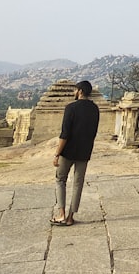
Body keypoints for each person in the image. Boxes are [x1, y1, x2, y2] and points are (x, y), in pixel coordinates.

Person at [51, 80, 100, 226]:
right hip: (84, 152)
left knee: (60, 180)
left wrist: (56, 154)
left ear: (79, 91)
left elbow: (65, 133)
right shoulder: (95, 109)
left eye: (75, 90)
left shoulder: (71, 108)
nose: (74, 93)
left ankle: (61, 214)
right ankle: (71, 217)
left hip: (68, 151)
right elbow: (94, 132)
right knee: (78, 184)